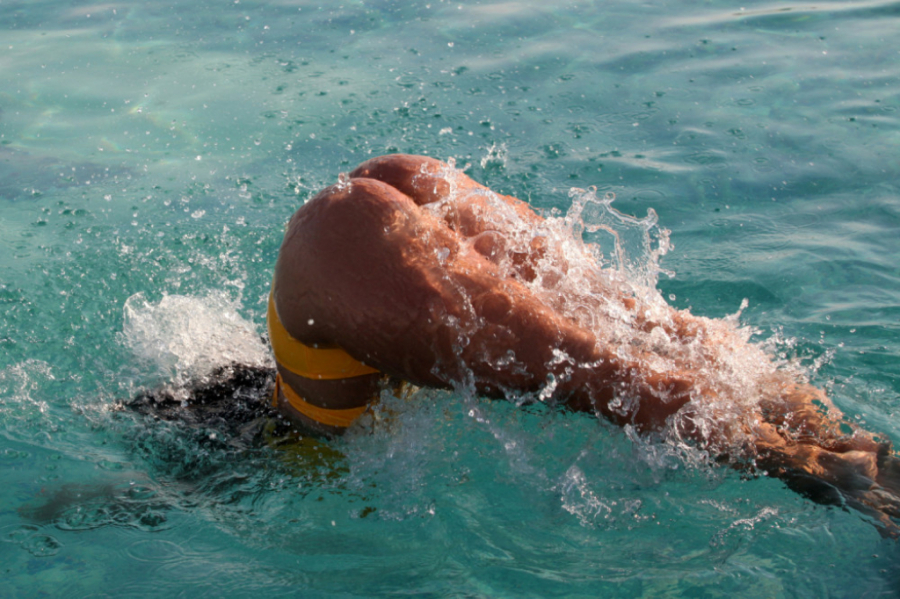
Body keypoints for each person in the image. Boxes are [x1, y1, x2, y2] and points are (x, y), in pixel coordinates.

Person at [268, 154, 900, 534]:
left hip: (293, 435)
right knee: (357, 211)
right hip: (292, 421)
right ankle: (851, 460)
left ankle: (843, 475)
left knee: (384, 192)